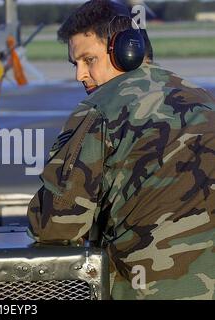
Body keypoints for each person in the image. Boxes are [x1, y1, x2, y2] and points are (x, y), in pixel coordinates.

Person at [27, 0, 215, 300]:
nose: (80, 75)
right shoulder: (203, 98)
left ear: (128, 50)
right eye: (75, 64)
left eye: (89, 60)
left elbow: (56, 225)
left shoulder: (99, 109)